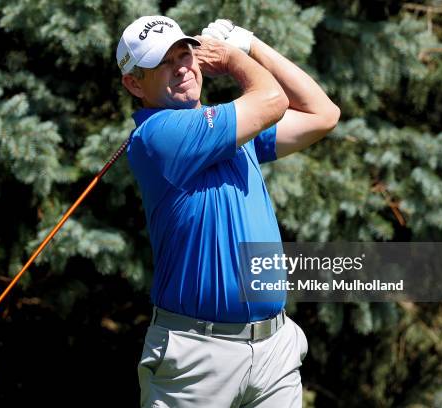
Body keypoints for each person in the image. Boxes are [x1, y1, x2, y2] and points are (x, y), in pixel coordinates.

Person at [116, 15, 340, 408]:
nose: (182, 67)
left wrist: (250, 42)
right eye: (163, 63)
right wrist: (237, 58)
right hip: (196, 360)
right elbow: (271, 100)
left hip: (274, 351)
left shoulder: (233, 130)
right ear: (135, 83)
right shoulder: (158, 135)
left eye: (185, 53)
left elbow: (323, 114)